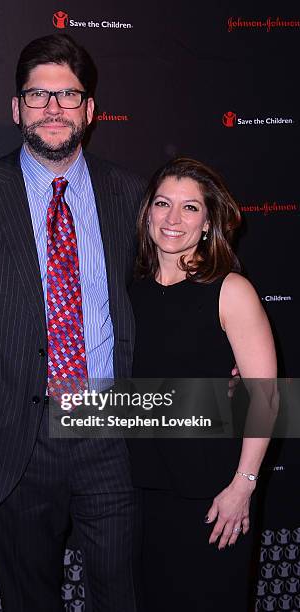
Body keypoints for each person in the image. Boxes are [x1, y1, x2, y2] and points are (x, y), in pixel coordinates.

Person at [0, 34, 146, 612]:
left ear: (90, 111)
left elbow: (163, 303)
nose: (53, 108)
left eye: (68, 96)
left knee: (124, 597)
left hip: (111, 429)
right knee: (29, 600)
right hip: (13, 441)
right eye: (38, 94)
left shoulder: (133, 196)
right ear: (16, 108)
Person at [127, 158, 277, 611]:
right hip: (139, 494)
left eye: (190, 208)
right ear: (147, 213)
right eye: (163, 204)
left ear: (209, 221)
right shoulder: (128, 288)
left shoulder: (230, 289)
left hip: (213, 496)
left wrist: (243, 486)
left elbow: (265, 397)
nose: (173, 219)